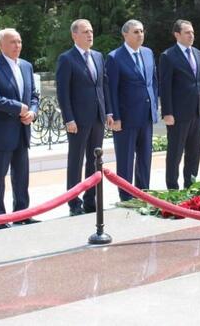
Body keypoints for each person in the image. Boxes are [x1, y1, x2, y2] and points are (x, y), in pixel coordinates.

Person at [0, 28, 40, 229]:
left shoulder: (26, 66)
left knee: (22, 175)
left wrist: (32, 112)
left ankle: (22, 213)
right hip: (1, 132)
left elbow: (34, 95)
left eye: (19, 41)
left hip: (22, 130)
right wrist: (18, 108)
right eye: (12, 42)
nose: (17, 45)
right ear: (1, 45)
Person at [56, 19, 111, 215]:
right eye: (85, 32)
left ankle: (90, 200)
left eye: (91, 31)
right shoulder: (67, 59)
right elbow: (63, 92)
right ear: (75, 35)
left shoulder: (98, 56)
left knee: (94, 160)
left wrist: (108, 112)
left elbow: (103, 86)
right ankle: (74, 203)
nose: (90, 35)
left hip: (97, 117)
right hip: (78, 121)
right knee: (76, 161)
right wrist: (68, 118)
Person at [106, 19, 158, 201]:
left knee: (145, 157)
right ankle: (126, 195)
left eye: (142, 31)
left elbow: (153, 82)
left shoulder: (148, 53)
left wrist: (154, 107)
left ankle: (144, 192)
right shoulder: (114, 57)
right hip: (126, 118)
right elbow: (111, 89)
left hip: (146, 115)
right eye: (136, 32)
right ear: (125, 34)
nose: (140, 35)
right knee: (126, 159)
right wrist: (115, 116)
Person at [159, 19, 200, 189]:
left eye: (192, 32)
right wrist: (167, 112)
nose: (191, 35)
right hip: (178, 114)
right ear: (177, 34)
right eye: (187, 32)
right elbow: (165, 87)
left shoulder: (197, 53)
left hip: (197, 111)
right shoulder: (168, 56)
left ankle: (191, 184)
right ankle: (172, 187)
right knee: (175, 153)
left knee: (194, 152)